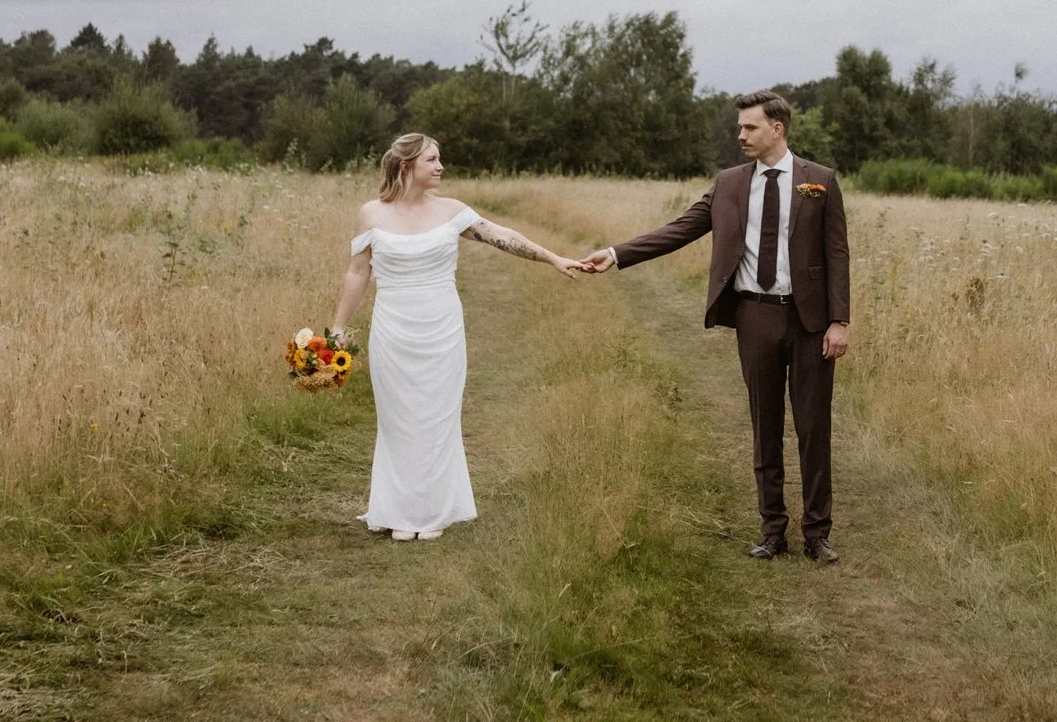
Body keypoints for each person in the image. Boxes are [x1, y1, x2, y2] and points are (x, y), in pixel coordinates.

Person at [579, 91, 851, 562]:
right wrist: (618, 254)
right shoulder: (728, 184)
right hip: (755, 316)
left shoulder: (819, 181)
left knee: (813, 427)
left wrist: (839, 320)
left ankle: (817, 534)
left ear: (777, 129)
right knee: (764, 424)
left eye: (749, 127)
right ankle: (772, 531)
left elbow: (837, 254)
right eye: (740, 127)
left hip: (810, 323)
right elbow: (681, 228)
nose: (740, 135)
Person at [331, 132, 586, 540]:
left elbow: (504, 236)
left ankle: (430, 514)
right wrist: (339, 326)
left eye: (439, 159)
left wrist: (552, 257)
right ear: (405, 167)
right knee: (398, 421)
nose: (440, 166)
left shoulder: (452, 211)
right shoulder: (371, 214)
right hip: (393, 330)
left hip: (441, 329)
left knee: (436, 417)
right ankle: (397, 511)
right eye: (431, 160)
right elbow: (358, 271)